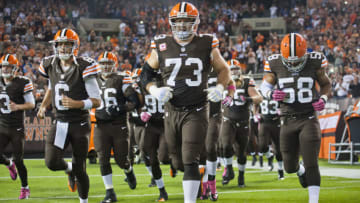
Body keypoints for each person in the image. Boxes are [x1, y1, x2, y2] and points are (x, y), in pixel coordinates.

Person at [140, 2, 231, 203]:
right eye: (178, 22)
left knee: (189, 158)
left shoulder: (207, 43)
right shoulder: (161, 44)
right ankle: (198, 174)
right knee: (176, 160)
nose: (182, 26)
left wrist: (220, 87)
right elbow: (145, 74)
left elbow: (224, 70)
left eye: (186, 22)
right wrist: (153, 89)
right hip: (171, 110)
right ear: (172, 23)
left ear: (195, 23)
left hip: (197, 109)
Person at [260, 33, 331, 203]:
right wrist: (271, 93)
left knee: (311, 162)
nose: (292, 64)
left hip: (308, 118)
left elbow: (326, 84)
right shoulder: (275, 62)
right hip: (286, 119)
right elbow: (265, 85)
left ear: (305, 53)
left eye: (296, 60)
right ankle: (300, 171)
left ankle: (313, 200)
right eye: (289, 60)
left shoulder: (315, 61)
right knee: (289, 166)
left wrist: (324, 99)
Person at [37, 28, 101, 203]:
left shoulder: (84, 66)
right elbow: (52, 87)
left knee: (81, 169)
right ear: (55, 46)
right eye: (60, 45)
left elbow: (97, 101)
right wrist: (43, 106)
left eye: (68, 45)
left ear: (75, 46)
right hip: (61, 122)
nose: (64, 48)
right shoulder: (50, 64)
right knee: (51, 162)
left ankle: (83, 201)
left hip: (80, 123)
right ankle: (69, 169)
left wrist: (78, 104)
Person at [94, 52, 139, 202]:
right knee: (103, 159)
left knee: (121, 160)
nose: (105, 66)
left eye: (109, 63)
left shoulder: (121, 79)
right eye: (103, 63)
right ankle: (110, 193)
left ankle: (129, 171)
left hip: (118, 124)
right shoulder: (92, 80)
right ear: (99, 65)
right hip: (101, 125)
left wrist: (119, 108)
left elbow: (134, 102)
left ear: (114, 65)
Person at [220, 60, 263, 187]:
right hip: (228, 120)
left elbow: (259, 98)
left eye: (236, 69)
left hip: (243, 121)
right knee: (226, 145)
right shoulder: (223, 81)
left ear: (240, 69)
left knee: (241, 152)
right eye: (231, 69)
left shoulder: (246, 81)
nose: (234, 71)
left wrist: (249, 99)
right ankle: (229, 169)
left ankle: (241, 176)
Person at [0, 54, 35, 199]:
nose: (6, 69)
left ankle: (25, 188)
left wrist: (18, 106)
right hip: (2, 125)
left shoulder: (23, 82)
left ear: (15, 68)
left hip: (16, 127)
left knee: (19, 160)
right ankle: (8, 163)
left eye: (9, 67)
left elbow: (31, 104)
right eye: (4, 66)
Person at [257, 97, 284, 179]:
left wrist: (281, 112)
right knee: (262, 146)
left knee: (278, 149)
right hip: (264, 122)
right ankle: (269, 156)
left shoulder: (277, 92)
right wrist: (256, 114)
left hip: (276, 122)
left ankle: (280, 170)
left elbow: (284, 106)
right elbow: (255, 105)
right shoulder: (260, 93)